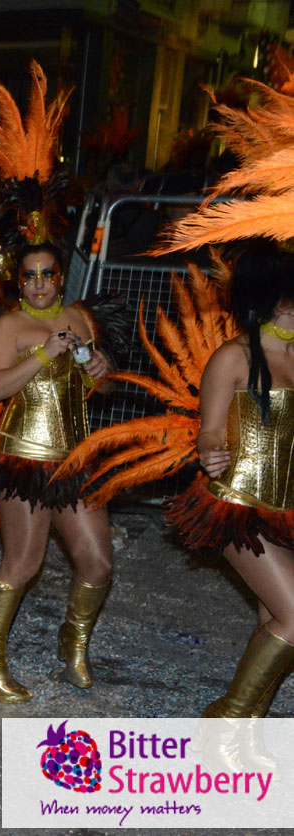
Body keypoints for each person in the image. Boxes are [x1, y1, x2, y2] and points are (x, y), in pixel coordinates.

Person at [0, 242, 115, 702]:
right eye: (29, 275)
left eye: (46, 274)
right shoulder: (7, 328)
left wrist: (100, 369)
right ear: (19, 281)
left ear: (60, 276)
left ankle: (74, 644)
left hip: (73, 458)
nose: (37, 283)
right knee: (23, 563)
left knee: (98, 562)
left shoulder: (79, 318)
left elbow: (99, 387)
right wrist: (44, 354)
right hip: (23, 461)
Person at [167, 241, 294, 717]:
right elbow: (210, 433)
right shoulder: (234, 358)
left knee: (275, 619)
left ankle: (249, 725)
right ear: (279, 298)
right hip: (238, 506)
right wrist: (210, 455)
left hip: (286, 508)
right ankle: (225, 721)